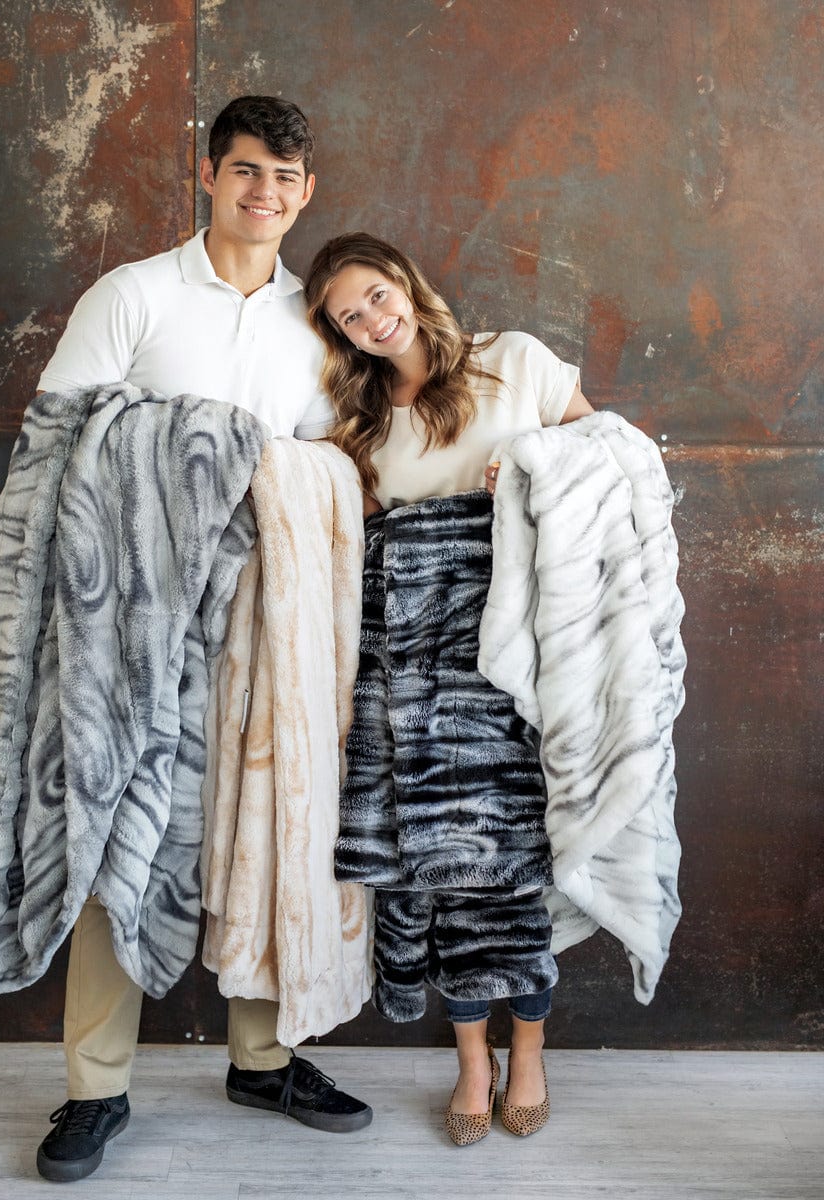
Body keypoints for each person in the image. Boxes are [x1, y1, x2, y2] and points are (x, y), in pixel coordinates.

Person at [32, 98, 371, 1185]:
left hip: (266, 622)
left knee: (270, 826)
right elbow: (54, 448)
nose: (264, 193)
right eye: (246, 170)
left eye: (285, 177)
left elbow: (333, 468)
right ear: (210, 175)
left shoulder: (315, 325)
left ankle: (262, 1060)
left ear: (306, 193)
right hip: (133, 625)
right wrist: (199, 449)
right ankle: (95, 1087)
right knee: (117, 839)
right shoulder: (133, 295)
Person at [304, 231, 594, 1146]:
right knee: (434, 868)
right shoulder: (361, 419)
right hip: (411, 665)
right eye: (348, 317)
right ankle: (473, 1060)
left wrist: (538, 463)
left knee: (510, 863)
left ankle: (530, 1049)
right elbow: (357, 538)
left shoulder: (515, 360)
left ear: (405, 282)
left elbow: (609, 453)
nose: (371, 320)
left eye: (375, 295)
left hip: (511, 659)